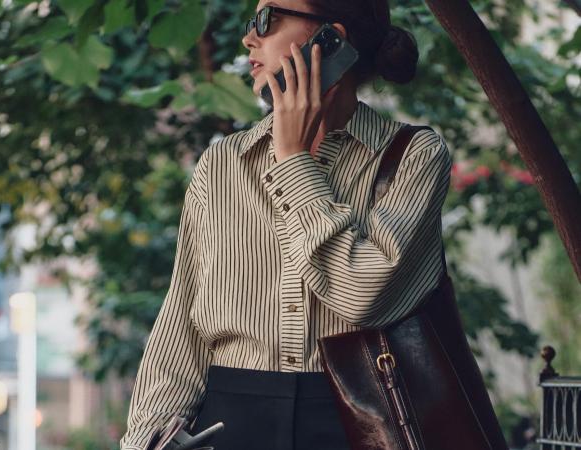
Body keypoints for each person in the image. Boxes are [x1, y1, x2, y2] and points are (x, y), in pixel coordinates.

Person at [119, 0, 452, 449]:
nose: (248, 37)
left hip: (361, 425)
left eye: (267, 18)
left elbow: (363, 295)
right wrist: (146, 440)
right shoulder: (223, 164)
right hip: (227, 425)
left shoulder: (415, 156)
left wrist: (293, 160)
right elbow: (183, 325)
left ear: (330, 38)